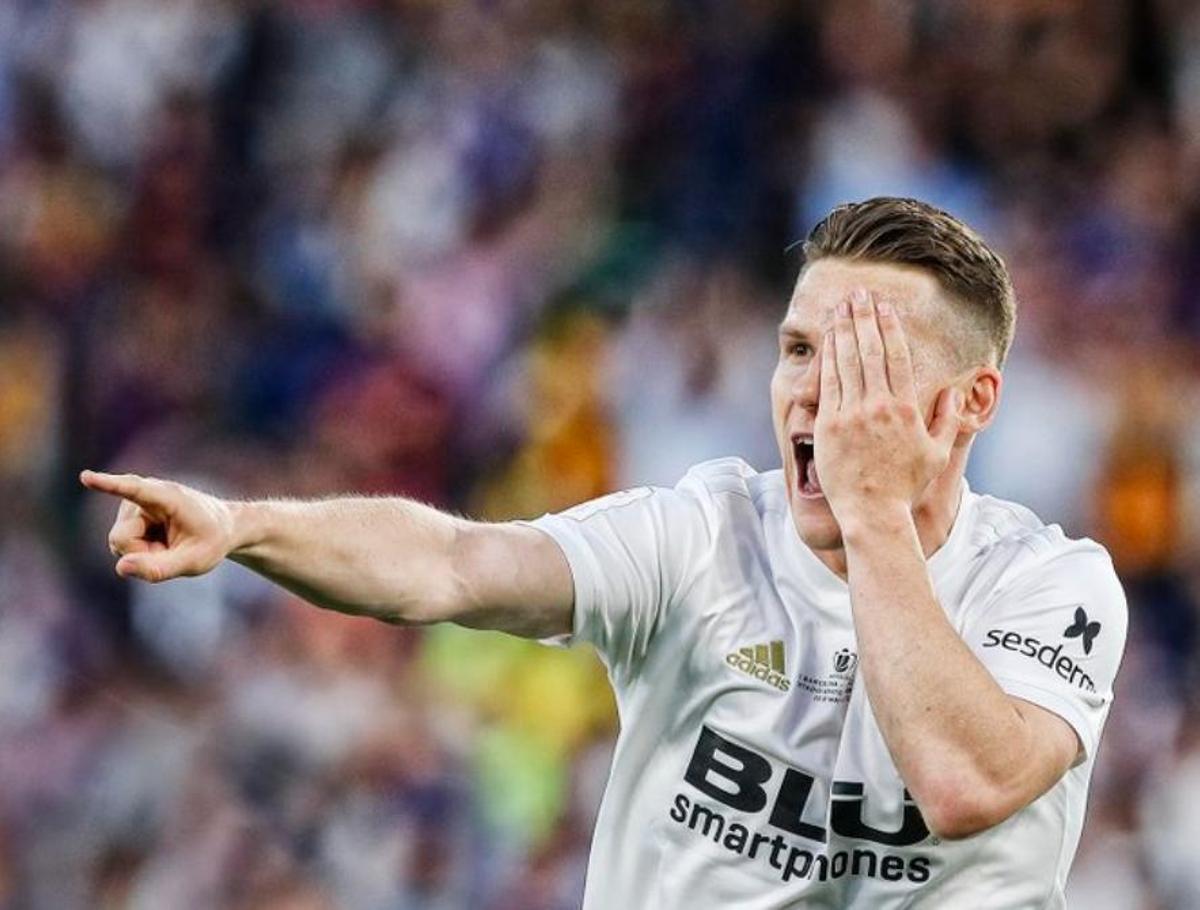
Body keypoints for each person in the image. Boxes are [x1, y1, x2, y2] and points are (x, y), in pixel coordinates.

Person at [81, 197, 1127, 908]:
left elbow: (962, 780)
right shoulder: (703, 534)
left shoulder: (1048, 587)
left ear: (968, 404)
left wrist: (872, 519)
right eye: (799, 349)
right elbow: (453, 562)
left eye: (863, 361)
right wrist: (250, 526)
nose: (813, 392)